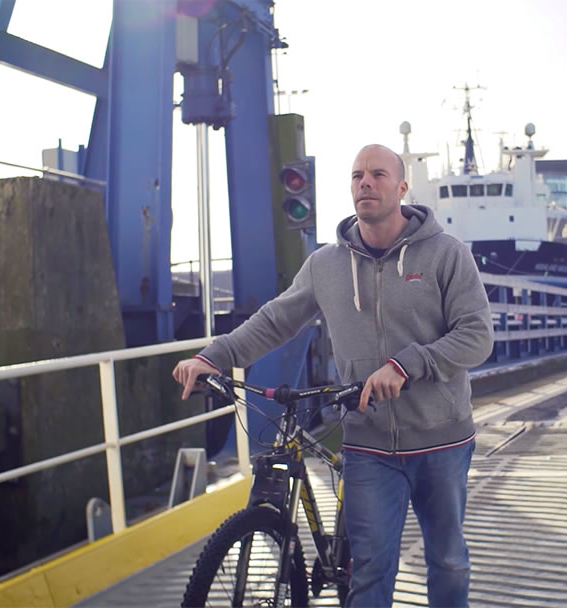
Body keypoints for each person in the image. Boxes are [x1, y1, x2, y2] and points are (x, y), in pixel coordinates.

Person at [173, 143, 494, 607]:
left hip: (441, 441)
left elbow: (478, 336)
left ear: (402, 188)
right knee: (369, 571)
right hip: (367, 443)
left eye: (379, 174)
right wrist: (214, 355)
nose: (366, 182)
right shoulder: (326, 265)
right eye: (358, 175)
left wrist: (407, 365)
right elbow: (275, 320)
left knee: (447, 561)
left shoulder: (446, 255)